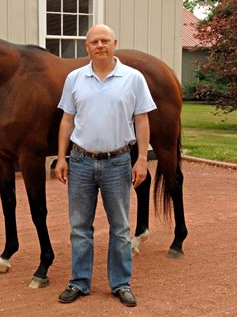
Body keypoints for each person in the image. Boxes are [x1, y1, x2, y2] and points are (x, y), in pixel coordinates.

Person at [55, 24, 156, 307]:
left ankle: (121, 283)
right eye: (94, 41)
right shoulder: (74, 78)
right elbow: (67, 120)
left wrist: (142, 160)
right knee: (79, 227)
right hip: (81, 161)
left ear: (115, 43)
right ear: (87, 47)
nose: (100, 45)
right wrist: (61, 157)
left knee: (120, 227)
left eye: (105, 40)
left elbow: (142, 120)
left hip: (118, 162)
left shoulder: (133, 78)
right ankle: (79, 281)